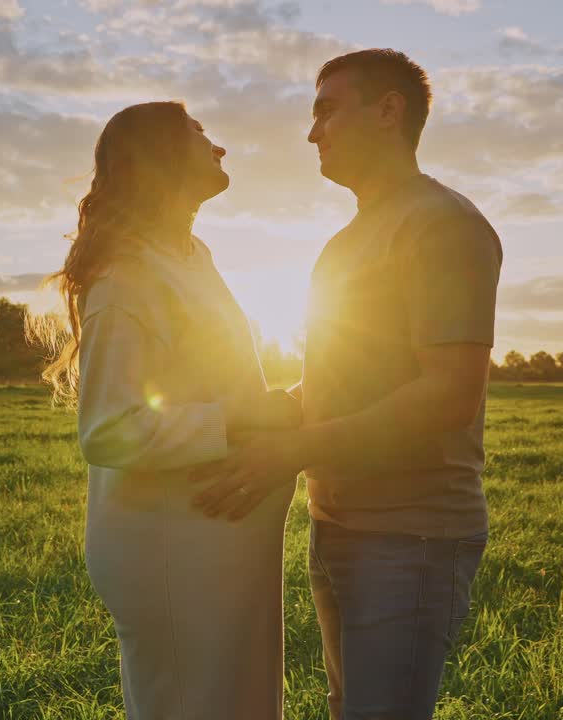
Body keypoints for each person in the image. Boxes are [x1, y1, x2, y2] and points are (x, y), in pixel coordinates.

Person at [192, 49, 503, 719]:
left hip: (410, 537)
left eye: (327, 110)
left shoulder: (441, 225)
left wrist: (294, 451)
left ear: (389, 111)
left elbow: (450, 392)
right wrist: (261, 416)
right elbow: (337, 384)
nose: (313, 133)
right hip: (339, 525)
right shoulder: (346, 243)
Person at [36, 101, 301, 720]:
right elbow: (109, 431)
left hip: (218, 542)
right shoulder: (128, 275)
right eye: (200, 133)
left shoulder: (190, 254)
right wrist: (245, 417)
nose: (220, 146)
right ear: (159, 158)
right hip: (172, 548)